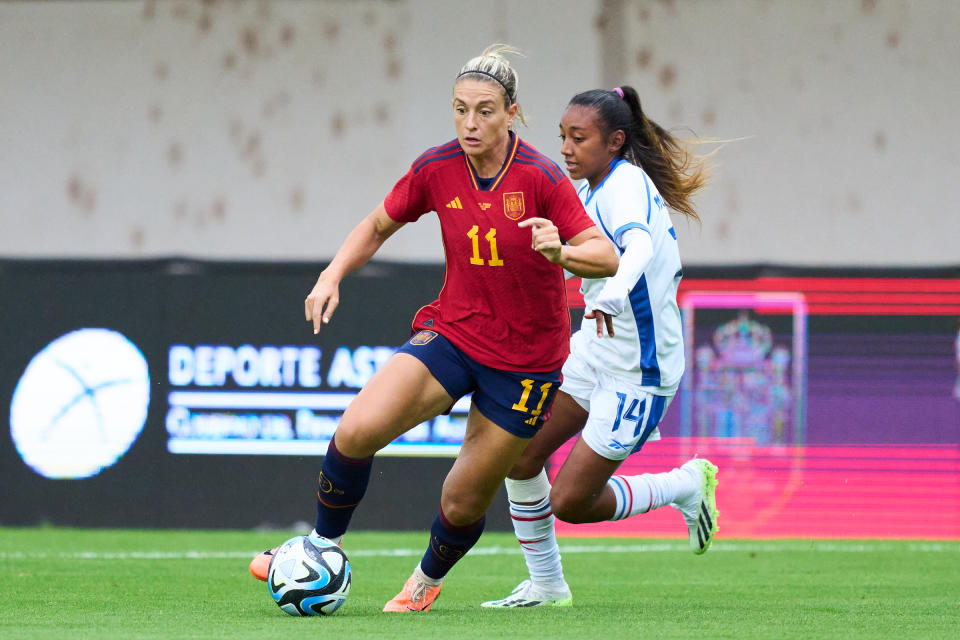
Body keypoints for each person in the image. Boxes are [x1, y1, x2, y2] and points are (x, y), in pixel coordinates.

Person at [248, 45, 619, 613]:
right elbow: (378, 223)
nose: (471, 123)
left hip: (525, 362)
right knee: (356, 429)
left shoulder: (541, 177)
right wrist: (332, 274)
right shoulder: (436, 167)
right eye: (460, 108)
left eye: (486, 110)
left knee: (464, 496)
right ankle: (320, 548)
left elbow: (605, 255)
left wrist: (563, 250)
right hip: (454, 333)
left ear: (512, 112)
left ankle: (424, 582)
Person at [481, 86, 719, 608]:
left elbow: (639, 248)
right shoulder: (587, 190)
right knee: (519, 457)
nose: (566, 147)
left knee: (570, 501)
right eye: (562, 136)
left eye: (578, 138)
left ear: (614, 141)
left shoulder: (624, 184)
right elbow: (585, 255)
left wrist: (611, 293)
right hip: (592, 351)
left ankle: (682, 485)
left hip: (640, 371)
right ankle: (546, 586)